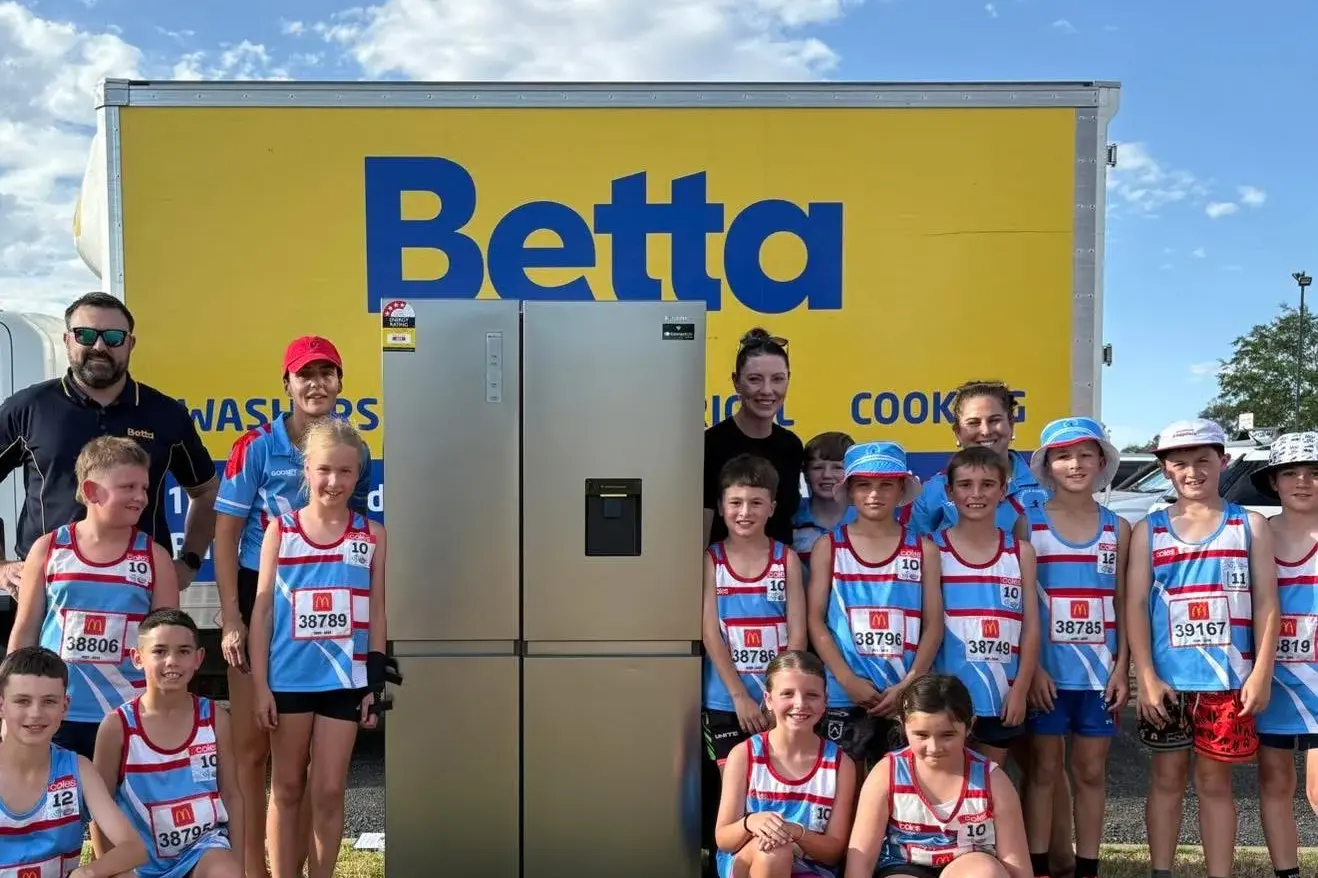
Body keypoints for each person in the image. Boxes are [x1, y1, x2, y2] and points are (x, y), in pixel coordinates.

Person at [212, 334, 368, 878]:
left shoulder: (347, 448)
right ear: (287, 384)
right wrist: (231, 616)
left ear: (340, 383)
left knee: (308, 773)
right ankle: (255, 870)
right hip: (264, 597)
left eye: (327, 373)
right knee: (256, 754)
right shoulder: (255, 446)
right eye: (306, 374)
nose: (316, 383)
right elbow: (225, 534)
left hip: (322, 608)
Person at [1126, 418, 1278, 878]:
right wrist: (1146, 678)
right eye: (1180, 464)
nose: (1192, 472)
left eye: (1202, 461)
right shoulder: (1148, 530)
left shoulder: (1249, 525)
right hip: (1168, 685)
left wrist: (1261, 673)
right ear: (1166, 471)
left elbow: (1268, 604)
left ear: (1223, 462)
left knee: (1216, 784)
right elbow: (1134, 604)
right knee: (1166, 781)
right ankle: (1161, 871)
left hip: (1228, 683)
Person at [0, 292, 217, 606]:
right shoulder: (29, 408)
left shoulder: (165, 414)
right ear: (67, 340)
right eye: (85, 335)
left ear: (130, 344)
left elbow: (207, 491)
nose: (99, 346)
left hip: (141, 589)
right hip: (49, 591)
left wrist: (190, 561)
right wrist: (2, 566)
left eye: (114, 337)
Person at [249, 417, 388, 878]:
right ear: (307, 469)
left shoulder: (371, 535)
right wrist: (260, 686)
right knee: (287, 787)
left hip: (343, 683)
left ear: (358, 475)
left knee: (329, 789)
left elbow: (378, 610)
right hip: (288, 679)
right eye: (325, 469)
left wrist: (374, 681)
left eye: (346, 472)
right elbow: (264, 611)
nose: (334, 481)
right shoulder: (281, 531)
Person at [6, 436, 179, 759]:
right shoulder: (48, 549)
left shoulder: (155, 557)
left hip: (127, 712)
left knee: (121, 808)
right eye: (128, 487)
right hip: (57, 711)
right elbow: (26, 630)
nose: (141, 497)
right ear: (91, 491)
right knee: (62, 807)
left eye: (144, 487)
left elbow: (167, 647)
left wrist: (166, 711)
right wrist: (12, 702)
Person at [1022, 418, 1130, 878]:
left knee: (1090, 774)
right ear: (1048, 465)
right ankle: (1039, 867)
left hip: (1099, 677)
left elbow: (1125, 602)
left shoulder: (1118, 528)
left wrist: (1123, 668)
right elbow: (1022, 600)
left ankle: (1088, 868)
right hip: (1047, 675)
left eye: (1086, 454)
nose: (1076, 464)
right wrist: (1033, 671)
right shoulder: (1030, 523)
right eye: (1064, 456)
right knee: (1043, 773)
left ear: (1102, 462)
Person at [808, 441, 943, 775]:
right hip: (844, 694)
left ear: (901, 490)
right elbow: (815, 620)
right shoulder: (829, 546)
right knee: (843, 799)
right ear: (850, 490)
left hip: (905, 696)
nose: (874, 494)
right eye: (864, 484)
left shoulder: (924, 550)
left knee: (902, 795)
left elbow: (934, 625)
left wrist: (910, 683)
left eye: (886, 485)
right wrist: (846, 679)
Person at [90, 608, 244, 878]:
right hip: (138, 859)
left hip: (202, 850)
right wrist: (109, 866)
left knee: (225, 872)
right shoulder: (117, 727)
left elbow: (231, 794)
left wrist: (237, 863)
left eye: (183, 651)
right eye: (159, 651)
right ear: (137, 658)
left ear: (199, 659)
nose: (172, 661)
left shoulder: (215, 718)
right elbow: (100, 809)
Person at [843, 673, 1031, 878]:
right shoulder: (886, 774)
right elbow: (860, 862)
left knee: (987, 873)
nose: (934, 748)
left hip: (969, 865)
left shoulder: (993, 780)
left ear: (969, 726)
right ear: (904, 726)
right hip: (904, 866)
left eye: (947, 735)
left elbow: (1017, 867)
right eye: (921, 735)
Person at [932, 446, 1040, 766]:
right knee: (943, 784)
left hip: (1000, 697)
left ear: (1004, 490)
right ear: (950, 491)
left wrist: (1020, 689)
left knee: (991, 785)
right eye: (965, 485)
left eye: (988, 484)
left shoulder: (1021, 552)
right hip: (945, 697)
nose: (976, 493)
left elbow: (1031, 626)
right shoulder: (931, 548)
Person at [0, 645, 148, 878]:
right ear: (2, 705)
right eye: (23, 701)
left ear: (65, 707)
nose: (36, 713)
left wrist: (86, 873)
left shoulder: (78, 769)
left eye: (49, 701)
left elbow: (134, 848)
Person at [703, 454, 808, 771]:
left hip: (780, 704)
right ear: (721, 507)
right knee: (734, 793)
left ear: (772, 508)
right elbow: (710, 634)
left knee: (779, 785)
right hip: (726, 701)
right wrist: (739, 697)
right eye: (735, 502)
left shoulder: (786, 559)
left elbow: (798, 636)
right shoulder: (711, 560)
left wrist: (778, 698)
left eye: (756, 503)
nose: (745, 512)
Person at [1244, 433, 1318, 878]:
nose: (1302, 482)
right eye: (1291, 472)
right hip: (1272, 678)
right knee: (1275, 783)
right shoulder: (1257, 533)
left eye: (1313, 473)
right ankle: (1286, 873)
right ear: (1274, 481)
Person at [713, 650, 856, 878]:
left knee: (780, 847)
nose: (799, 704)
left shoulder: (840, 764)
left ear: (825, 701)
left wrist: (793, 832)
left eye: (811, 695)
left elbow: (833, 852)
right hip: (751, 863)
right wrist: (751, 822)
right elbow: (723, 839)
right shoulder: (744, 754)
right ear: (768, 700)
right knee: (774, 851)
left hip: (813, 869)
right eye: (787, 694)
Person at [904, 380, 1049, 540]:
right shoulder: (933, 492)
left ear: (1011, 425)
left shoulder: (1046, 483)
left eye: (994, 420)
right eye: (973, 423)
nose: (985, 431)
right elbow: (912, 551)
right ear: (958, 433)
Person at [704, 329, 804, 547]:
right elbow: (699, 537)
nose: (767, 390)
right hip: (724, 577)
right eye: (754, 379)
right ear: (736, 382)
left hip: (782, 576)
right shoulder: (709, 446)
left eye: (778, 379)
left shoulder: (792, 446)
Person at [793, 431, 858, 575]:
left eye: (837, 468)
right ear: (805, 473)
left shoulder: (866, 521)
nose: (827, 475)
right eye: (818, 467)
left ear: (852, 473)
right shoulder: (791, 523)